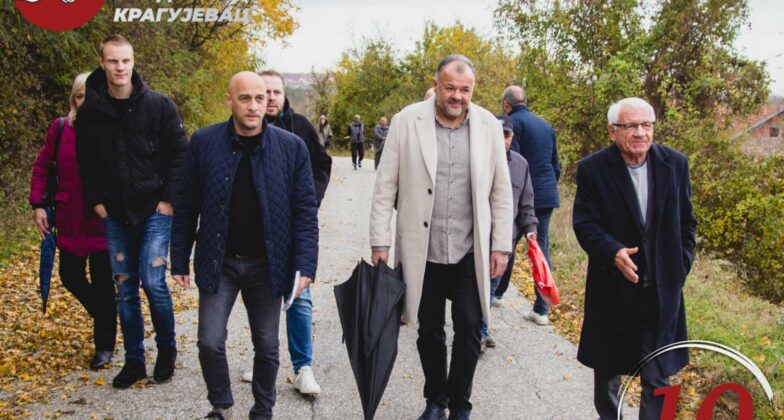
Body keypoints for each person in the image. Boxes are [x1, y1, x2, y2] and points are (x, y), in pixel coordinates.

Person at [370, 55, 513, 420]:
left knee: (470, 328)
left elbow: (501, 191)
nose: (457, 96)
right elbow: (385, 187)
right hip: (423, 251)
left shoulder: (489, 126)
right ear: (436, 85)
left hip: (470, 250)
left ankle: (460, 405)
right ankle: (436, 400)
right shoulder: (406, 122)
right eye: (450, 88)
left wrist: (501, 245)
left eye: (465, 90)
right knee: (429, 332)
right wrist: (380, 242)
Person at [170, 71, 319, 420]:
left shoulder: (290, 148)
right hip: (218, 260)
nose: (254, 106)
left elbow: (304, 211)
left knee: (266, 344)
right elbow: (186, 204)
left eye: (260, 98)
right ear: (230, 100)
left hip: (268, 264)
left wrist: (306, 265)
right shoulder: (204, 143)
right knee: (209, 341)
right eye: (245, 98)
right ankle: (221, 404)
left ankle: (263, 409)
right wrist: (179, 258)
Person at [572, 97, 697, 420]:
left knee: (658, 377)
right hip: (613, 290)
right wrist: (612, 251)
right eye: (630, 126)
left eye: (646, 125)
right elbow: (585, 224)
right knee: (608, 376)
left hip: (661, 294)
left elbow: (687, 224)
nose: (640, 132)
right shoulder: (593, 169)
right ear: (612, 131)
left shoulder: (675, 164)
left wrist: (679, 268)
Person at [75, 34, 188, 388]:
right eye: (113, 61)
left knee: (153, 282)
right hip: (114, 212)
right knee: (125, 288)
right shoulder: (90, 113)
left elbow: (179, 154)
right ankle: (135, 360)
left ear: (133, 62)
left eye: (125, 60)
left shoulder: (158, 105)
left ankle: (166, 350)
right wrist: (97, 203)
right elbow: (85, 163)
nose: (119, 67)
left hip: (154, 208)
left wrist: (168, 199)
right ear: (102, 63)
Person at [236, 70, 331, 395]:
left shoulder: (300, 127)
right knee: (259, 301)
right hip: (256, 233)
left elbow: (322, 165)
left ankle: (303, 367)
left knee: (298, 297)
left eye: (276, 92)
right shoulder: (241, 128)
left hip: (291, 229)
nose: (272, 98)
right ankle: (264, 360)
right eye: (266, 92)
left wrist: (311, 199)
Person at [29, 72, 117, 370]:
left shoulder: (111, 128)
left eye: (90, 97)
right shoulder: (60, 129)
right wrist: (39, 204)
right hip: (69, 217)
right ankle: (106, 315)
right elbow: (43, 165)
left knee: (104, 283)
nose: (85, 102)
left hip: (102, 219)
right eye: (80, 97)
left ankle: (104, 345)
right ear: (73, 100)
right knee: (70, 276)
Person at [500, 85, 560, 325]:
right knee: (539, 246)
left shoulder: (512, 125)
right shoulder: (545, 125)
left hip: (521, 194)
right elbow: (555, 165)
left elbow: (510, 163)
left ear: (506, 105)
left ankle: (497, 292)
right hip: (546, 194)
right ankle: (541, 309)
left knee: (506, 242)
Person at [479, 117, 538, 351]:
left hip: (503, 241)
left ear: (512, 138)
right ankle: (477, 331)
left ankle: (480, 330)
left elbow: (526, 204)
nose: (502, 140)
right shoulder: (477, 159)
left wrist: (531, 229)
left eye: (506, 135)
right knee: (476, 288)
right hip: (475, 239)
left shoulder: (520, 165)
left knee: (491, 286)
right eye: (498, 134)